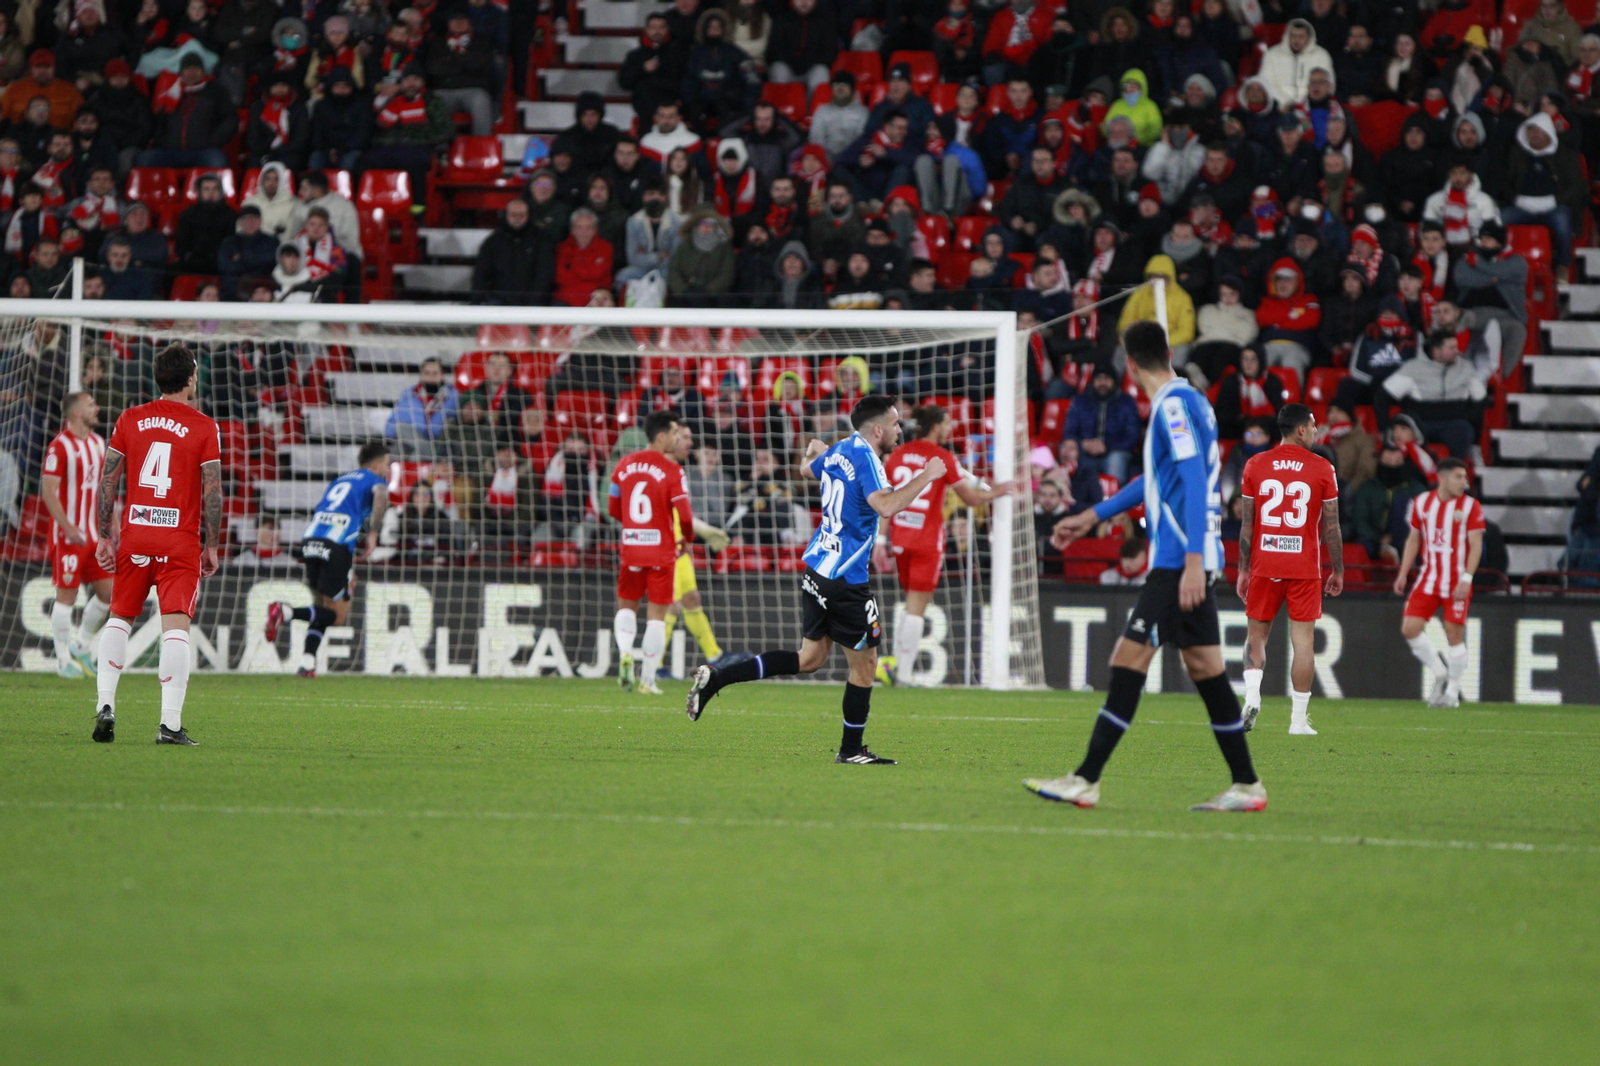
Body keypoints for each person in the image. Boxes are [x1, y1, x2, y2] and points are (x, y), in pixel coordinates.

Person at [1030, 320, 1264, 812]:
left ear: (1129, 365)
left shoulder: (1173, 408)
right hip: (1189, 559)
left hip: (1180, 561)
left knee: (1127, 660)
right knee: (1206, 670)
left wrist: (1195, 561)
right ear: (1169, 355)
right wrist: (1091, 515)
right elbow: (1156, 481)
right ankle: (1247, 785)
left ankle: (1086, 778)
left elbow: (1196, 481)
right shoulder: (1191, 400)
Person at [686, 394, 948, 765]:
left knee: (809, 658)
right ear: (877, 430)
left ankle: (717, 679)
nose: (898, 429)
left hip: (817, 569)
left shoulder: (841, 449)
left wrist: (812, 452)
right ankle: (851, 750)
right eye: (894, 423)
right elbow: (886, 506)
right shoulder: (867, 458)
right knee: (865, 666)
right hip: (845, 578)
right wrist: (928, 474)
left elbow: (806, 470)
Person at [91, 345, 223, 746]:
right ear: (190, 379)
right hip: (179, 542)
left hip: (135, 536)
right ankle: (169, 724)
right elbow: (213, 491)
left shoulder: (131, 418)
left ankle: (105, 705)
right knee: (176, 627)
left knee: (119, 617)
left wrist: (104, 535)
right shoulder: (203, 426)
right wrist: (212, 545)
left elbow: (108, 481)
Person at [876, 404, 1021, 687]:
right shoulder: (943, 457)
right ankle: (902, 675)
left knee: (910, 604)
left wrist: (880, 540)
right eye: (947, 423)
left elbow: (886, 500)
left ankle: (897, 667)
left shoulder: (898, 455)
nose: (950, 428)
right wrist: (997, 492)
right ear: (936, 426)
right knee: (916, 607)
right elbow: (971, 499)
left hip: (900, 538)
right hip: (928, 541)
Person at [1235, 403, 1343, 737]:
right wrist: (1337, 569)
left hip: (1264, 563)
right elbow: (1332, 526)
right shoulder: (1322, 467)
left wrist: (1242, 569)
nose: (1315, 431)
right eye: (1312, 426)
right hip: (1303, 566)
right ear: (1300, 429)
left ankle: (1252, 695)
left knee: (1256, 636)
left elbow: (1247, 524)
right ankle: (1297, 721)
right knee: (1304, 643)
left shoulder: (1255, 464)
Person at [264, 439, 391, 678]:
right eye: (388, 463)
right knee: (337, 616)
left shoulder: (341, 480)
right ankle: (285, 611)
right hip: (336, 544)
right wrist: (373, 533)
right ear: (376, 464)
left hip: (311, 540)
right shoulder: (375, 480)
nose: (389, 470)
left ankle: (307, 663)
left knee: (322, 606)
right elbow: (381, 497)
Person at [609, 411, 698, 696]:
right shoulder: (673, 470)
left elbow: (613, 508)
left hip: (631, 548)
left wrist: (635, 526)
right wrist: (688, 539)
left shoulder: (623, 465)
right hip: (661, 551)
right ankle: (647, 681)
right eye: (674, 433)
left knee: (627, 607)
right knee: (656, 616)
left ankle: (625, 652)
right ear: (661, 437)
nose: (677, 438)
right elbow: (684, 514)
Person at [1393, 457, 1483, 708]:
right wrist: (1403, 573)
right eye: (1458, 477)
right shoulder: (1421, 503)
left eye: (1465, 478)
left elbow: (1476, 546)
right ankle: (1440, 672)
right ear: (1442, 478)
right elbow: (1414, 539)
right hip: (1429, 578)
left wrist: (1467, 577)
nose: (1464, 482)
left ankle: (1453, 691)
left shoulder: (1471, 506)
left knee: (1454, 633)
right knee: (1409, 628)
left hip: (1457, 580)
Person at [40, 391, 113, 679]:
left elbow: (103, 487)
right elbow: (48, 490)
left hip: (94, 535)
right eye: (91, 404)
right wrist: (69, 528)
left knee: (109, 594)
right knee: (66, 597)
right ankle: (62, 661)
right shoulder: (60, 447)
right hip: (67, 537)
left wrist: (113, 519)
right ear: (75, 413)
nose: (97, 408)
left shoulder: (97, 442)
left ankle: (81, 645)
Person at [1380, 331, 1486, 460]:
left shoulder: (1466, 367)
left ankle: (1455, 468)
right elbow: (1383, 395)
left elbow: (1480, 398)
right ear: (1436, 351)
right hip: (1420, 425)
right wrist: (1384, 427)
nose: (1457, 351)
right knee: (1404, 430)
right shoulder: (1414, 368)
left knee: (1464, 429)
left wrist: (1467, 415)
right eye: (1451, 348)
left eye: (1456, 347)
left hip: (1451, 425)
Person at [1062, 364, 1140, 484]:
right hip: (1086, 451)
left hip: (1115, 451)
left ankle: (1115, 500)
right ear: (1093, 381)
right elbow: (1069, 432)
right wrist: (1083, 443)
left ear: (1114, 381)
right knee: (1070, 452)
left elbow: (1132, 436)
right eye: (1099, 379)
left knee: (1116, 460)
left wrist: (1106, 446)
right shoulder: (1080, 401)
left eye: (1107, 379)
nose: (1102, 383)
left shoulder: (1127, 403)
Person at [471, 197, 554, 305]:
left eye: (521, 215)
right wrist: (480, 299)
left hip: (531, 303)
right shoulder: (493, 241)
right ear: (506, 215)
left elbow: (544, 275)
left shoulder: (541, 240)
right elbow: (481, 273)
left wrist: (533, 300)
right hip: (498, 300)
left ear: (528, 215)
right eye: (513, 214)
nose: (517, 218)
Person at [385, 358, 457, 459]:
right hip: (410, 442)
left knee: (416, 456)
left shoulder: (453, 397)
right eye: (427, 373)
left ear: (442, 375)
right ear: (421, 375)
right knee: (400, 435)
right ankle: (428, 452)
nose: (431, 377)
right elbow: (392, 425)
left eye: (435, 373)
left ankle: (427, 453)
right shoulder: (409, 395)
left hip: (439, 443)